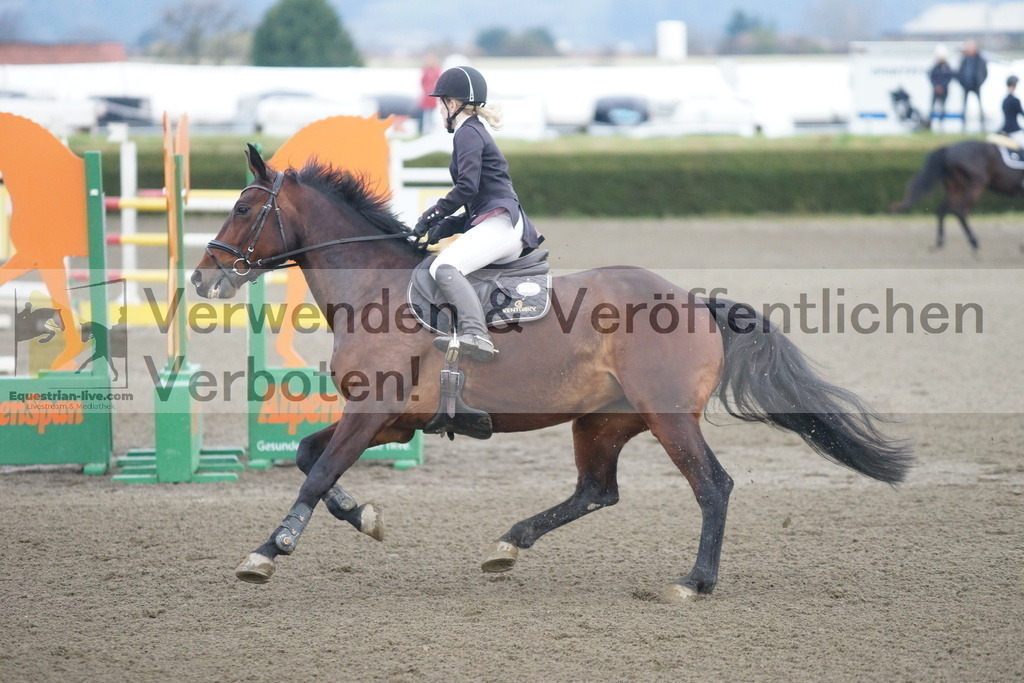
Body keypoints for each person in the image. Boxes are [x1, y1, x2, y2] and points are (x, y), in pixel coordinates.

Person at [412, 66, 543, 362]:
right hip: (498, 220)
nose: (437, 109)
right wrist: (447, 225)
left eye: (439, 102)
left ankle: (476, 333)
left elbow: (467, 187)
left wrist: (434, 213)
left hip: (503, 224)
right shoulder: (472, 132)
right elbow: (477, 201)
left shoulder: (467, 133)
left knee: (444, 268)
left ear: (453, 104)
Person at [957, 39, 988, 132]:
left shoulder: (980, 59)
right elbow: (960, 72)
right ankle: (963, 122)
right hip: (966, 84)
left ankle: (982, 121)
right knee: (964, 104)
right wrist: (962, 82)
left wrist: (980, 82)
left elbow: (985, 72)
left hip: (976, 84)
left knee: (979, 104)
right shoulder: (964, 59)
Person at [928, 44, 954, 131]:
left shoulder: (947, 67)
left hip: (944, 90)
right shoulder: (935, 67)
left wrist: (943, 86)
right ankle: (929, 123)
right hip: (935, 90)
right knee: (932, 107)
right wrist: (936, 86)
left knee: (942, 107)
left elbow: (949, 77)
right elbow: (931, 76)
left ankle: (941, 124)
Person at [417, 53, 441, 135]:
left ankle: (431, 131)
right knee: (426, 114)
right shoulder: (425, 70)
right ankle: (425, 131)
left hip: (433, 96)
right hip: (426, 96)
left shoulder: (437, 70)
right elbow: (422, 82)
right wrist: (426, 90)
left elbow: (439, 81)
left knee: (432, 114)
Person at [998, 75, 1024, 148]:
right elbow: (1022, 113)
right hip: (1014, 130)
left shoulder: (1004, 100)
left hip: (1004, 129)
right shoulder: (1015, 100)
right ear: (1014, 85)